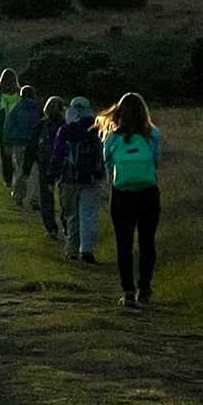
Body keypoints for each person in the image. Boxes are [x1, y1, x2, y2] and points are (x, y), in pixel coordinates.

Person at [96, 92, 163, 310]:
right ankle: (145, 288)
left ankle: (128, 292)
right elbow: (156, 162)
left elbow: (107, 163)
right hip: (148, 192)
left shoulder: (112, 137)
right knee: (147, 242)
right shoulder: (153, 135)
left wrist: (113, 183)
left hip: (122, 193)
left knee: (124, 244)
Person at [50, 96, 105, 264]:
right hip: (92, 178)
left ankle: (72, 249)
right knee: (88, 214)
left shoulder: (66, 129)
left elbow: (58, 154)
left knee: (72, 215)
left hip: (70, 178)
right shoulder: (98, 128)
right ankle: (87, 250)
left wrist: (51, 176)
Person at [26, 96, 68, 239]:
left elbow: (32, 146)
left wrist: (28, 166)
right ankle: (67, 225)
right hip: (63, 164)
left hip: (44, 163)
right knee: (64, 197)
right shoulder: (66, 125)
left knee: (46, 198)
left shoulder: (41, 125)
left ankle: (51, 228)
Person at [2, 85, 44, 205]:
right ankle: (35, 198)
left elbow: (8, 125)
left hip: (19, 143)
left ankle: (18, 195)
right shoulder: (38, 109)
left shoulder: (17, 108)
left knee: (20, 170)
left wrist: (7, 142)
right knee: (35, 171)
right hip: (34, 144)